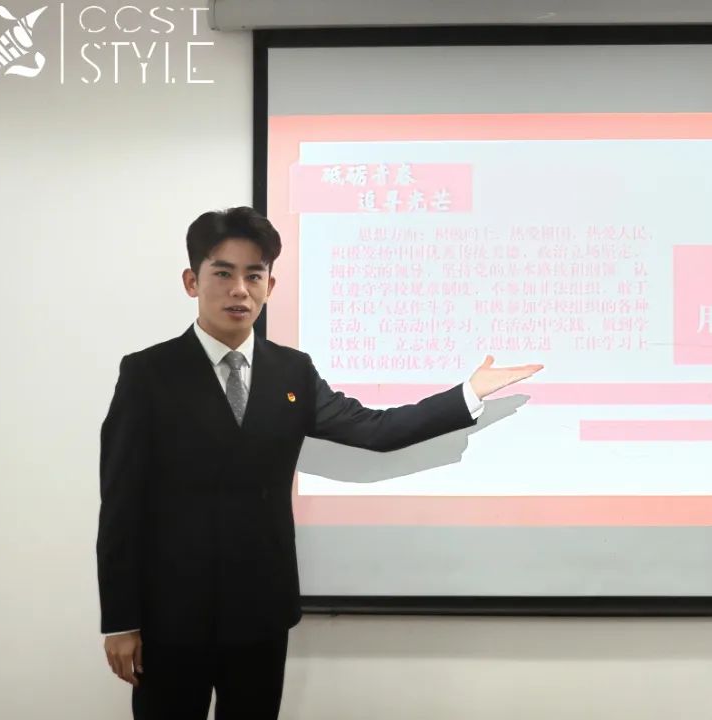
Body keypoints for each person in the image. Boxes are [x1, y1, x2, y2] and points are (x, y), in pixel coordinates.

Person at [96, 206, 543, 719]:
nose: (239, 290)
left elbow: (375, 430)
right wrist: (121, 620)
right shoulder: (149, 374)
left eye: (254, 276)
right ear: (191, 281)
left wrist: (467, 394)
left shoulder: (292, 372)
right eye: (223, 273)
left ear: (270, 285)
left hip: (261, 612)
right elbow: (120, 506)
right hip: (171, 616)